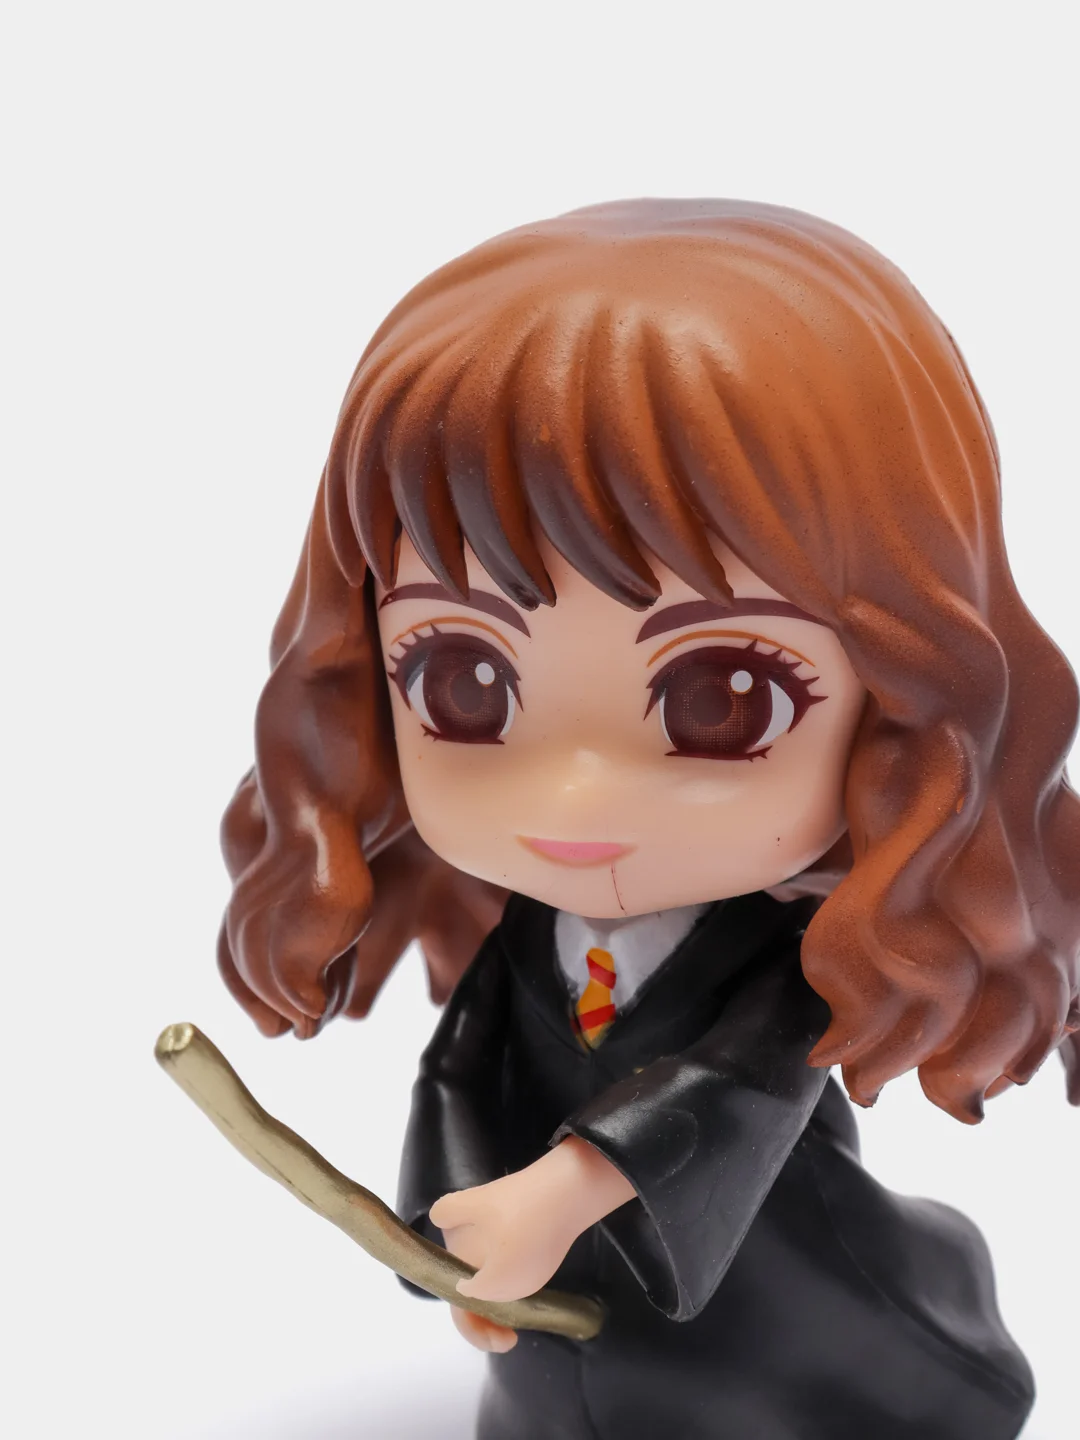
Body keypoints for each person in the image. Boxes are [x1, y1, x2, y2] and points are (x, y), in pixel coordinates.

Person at [218, 200, 1080, 1438]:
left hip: (766, 1304)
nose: (578, 797)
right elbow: (461, 1066)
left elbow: (735, 1091)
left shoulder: (780, 964)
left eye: (723, 697)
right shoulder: (531, 939)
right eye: (465, 681)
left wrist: (564, 1192)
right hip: (558, 1324)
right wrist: (449, 1224)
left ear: (898, 699)